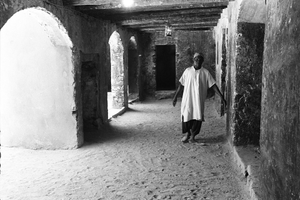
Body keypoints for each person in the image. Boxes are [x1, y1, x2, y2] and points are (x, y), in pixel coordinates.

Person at [172, 52, 227, 143]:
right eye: (196, 59)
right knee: (186, 115)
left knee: (197, 117)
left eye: (200, 59)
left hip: (198, 100)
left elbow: (213, 85)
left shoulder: (205, 72)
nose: (198, 60)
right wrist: (175, 97)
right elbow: (181, 85)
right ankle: (187, 135)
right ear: (193, 60)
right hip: (188, 99)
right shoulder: (187, 71)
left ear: (203, 61)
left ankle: (193, 136)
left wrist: (222, 97)